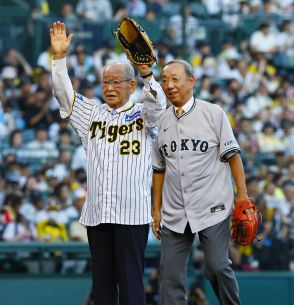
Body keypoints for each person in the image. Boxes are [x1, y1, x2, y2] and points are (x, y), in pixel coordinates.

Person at [49, 21, 166, 305]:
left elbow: (159, 105)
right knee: (101, 287)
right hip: (98, 213)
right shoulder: (92, 112)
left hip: (131, 214)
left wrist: (148, 74)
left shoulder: (143, 114)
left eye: (116, 82)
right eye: (106, 82)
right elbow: (64, 96)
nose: (110, 87)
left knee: (130, 284)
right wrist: (60, 59)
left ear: (131, 85)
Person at [152, 60, 255, 305]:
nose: (169, 85)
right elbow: (158, 169)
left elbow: (233, 157)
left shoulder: (213, 113)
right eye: (165, 80)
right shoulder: (160, 121)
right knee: (169, 277)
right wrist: (156, 210)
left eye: (175, 79)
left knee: (218, 266)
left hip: (213, 204)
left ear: (191, 81)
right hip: (175, 209)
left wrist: (242, 195)